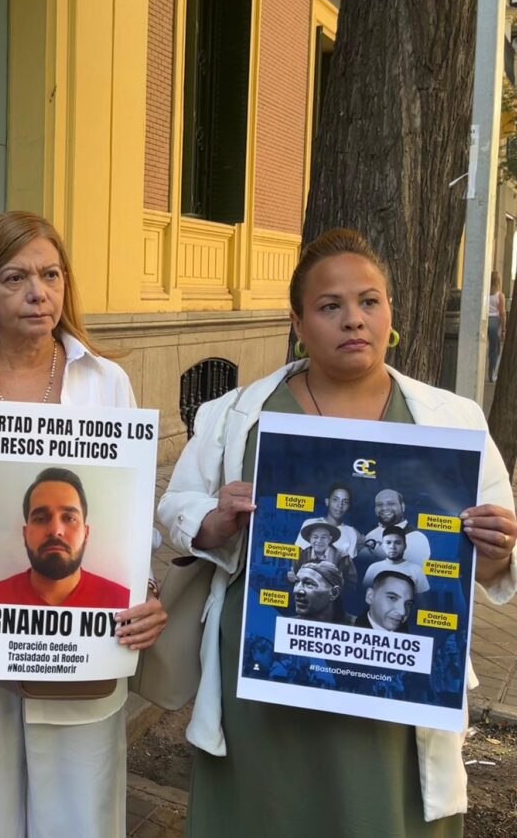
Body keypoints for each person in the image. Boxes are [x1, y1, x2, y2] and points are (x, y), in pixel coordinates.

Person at [158, 228, 517, 834]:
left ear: (389, 312)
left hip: (392, 688)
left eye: (369, 301)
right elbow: (172, 509)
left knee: (377, 816)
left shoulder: (451, 421)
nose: (354, 320)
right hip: (265, 682)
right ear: (298, 322)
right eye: (331, 307)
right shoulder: (238, 416)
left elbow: (493, 561)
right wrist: (211, 520)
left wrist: (498, 550)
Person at [0, 211, 166, 838]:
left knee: (79, 817)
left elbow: (130, 521)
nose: (38, 292)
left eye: (50, 274)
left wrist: (144, 595)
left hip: (83, 640)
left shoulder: (107, 382)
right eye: (15, 278)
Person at [0, 467, 130, 607]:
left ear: (86, 533)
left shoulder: (125, 606)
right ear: (25, 534)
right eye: (41, 519)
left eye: (69, 518)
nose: (56, 531)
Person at [357, 488, 430, 563]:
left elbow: (402, 564)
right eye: (379, 504)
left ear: (402, 507)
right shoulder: (371, 534)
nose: (384, 508)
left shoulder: (417, 537)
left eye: (391, 503)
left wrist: (374, 547)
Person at [295, 483, 359, 556]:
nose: (340, 505)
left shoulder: (351, 533)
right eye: (335, 500)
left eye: (345, 502)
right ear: (327, 502)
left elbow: (348, 564)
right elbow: (298, 557)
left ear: (348, 506)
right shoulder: (310, 524)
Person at [362, 526, 429, 595]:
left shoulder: (416, 570)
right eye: (388, 543)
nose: (392, 547)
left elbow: (423, 601)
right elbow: (365, 595)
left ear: (405, 545)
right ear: (382, 545)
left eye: (397, 543)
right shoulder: (373, 568)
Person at [291, 521, 356, 592]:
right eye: (315, 537)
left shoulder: (343, 557)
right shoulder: (301, 556)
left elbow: (351, 585)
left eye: (323, 537)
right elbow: (295, 581)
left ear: (330, 539)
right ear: (310, 538)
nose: (319, 541)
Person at [487, 270, 505, 382]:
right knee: (495, 349)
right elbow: (502, 313)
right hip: (495, 322)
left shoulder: (486, 294)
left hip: (485, 320)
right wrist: (503, 329)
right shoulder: (500, 296)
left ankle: (490, 370)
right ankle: (492, 374)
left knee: (489, 349)